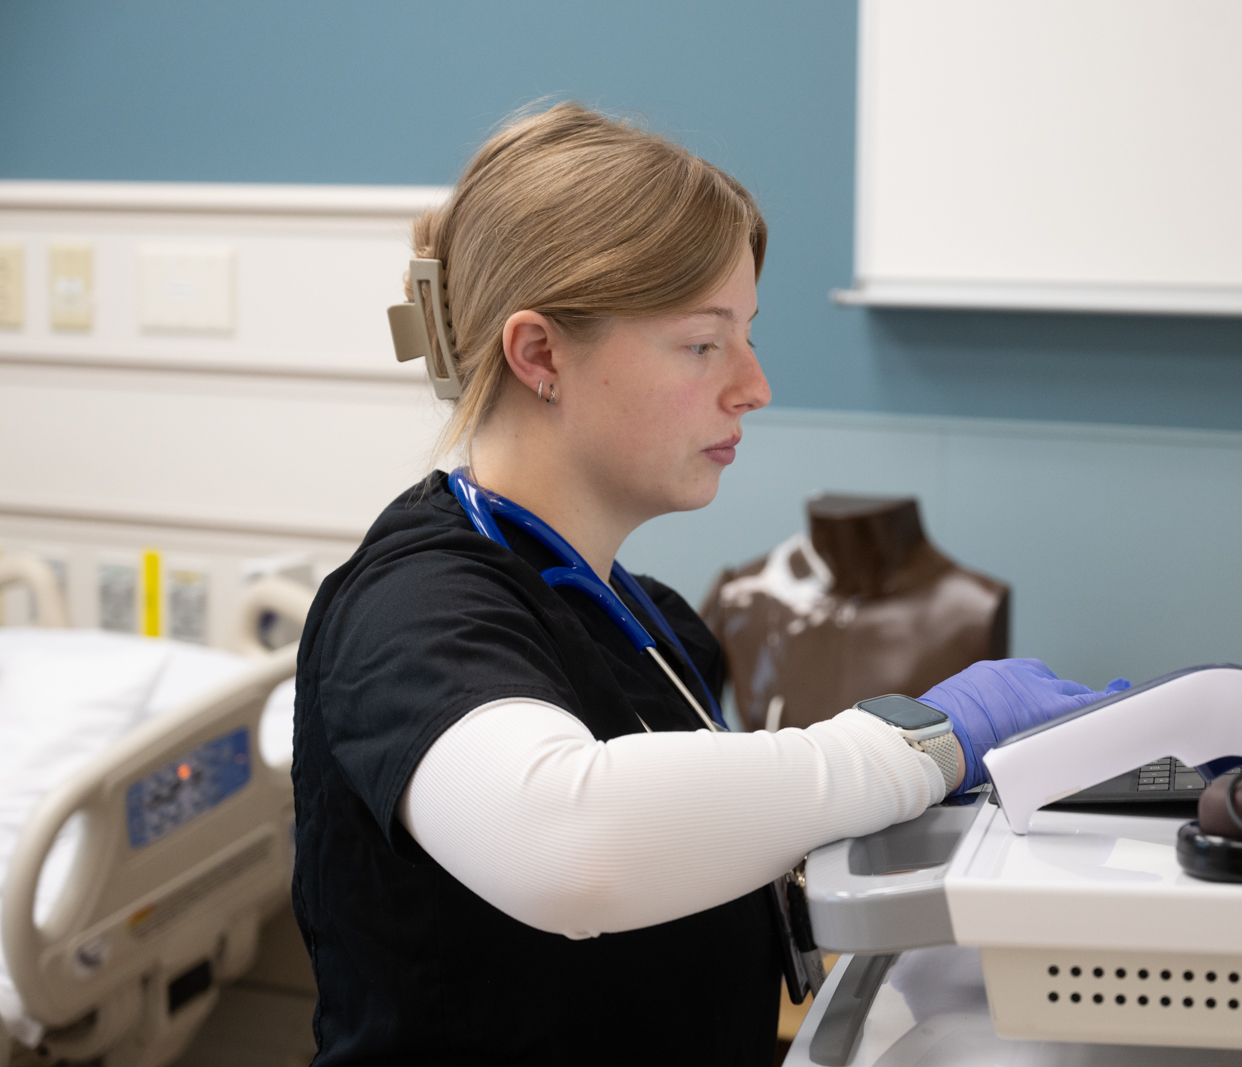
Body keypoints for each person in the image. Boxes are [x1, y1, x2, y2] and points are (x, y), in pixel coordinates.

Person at [291, 102, 1126, 1066]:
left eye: (748, 334)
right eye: (703, 343)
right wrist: (925, 742)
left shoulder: (655, 624)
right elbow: (571, 844)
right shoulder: (409, 607)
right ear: (540, 355)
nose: (753, 386)